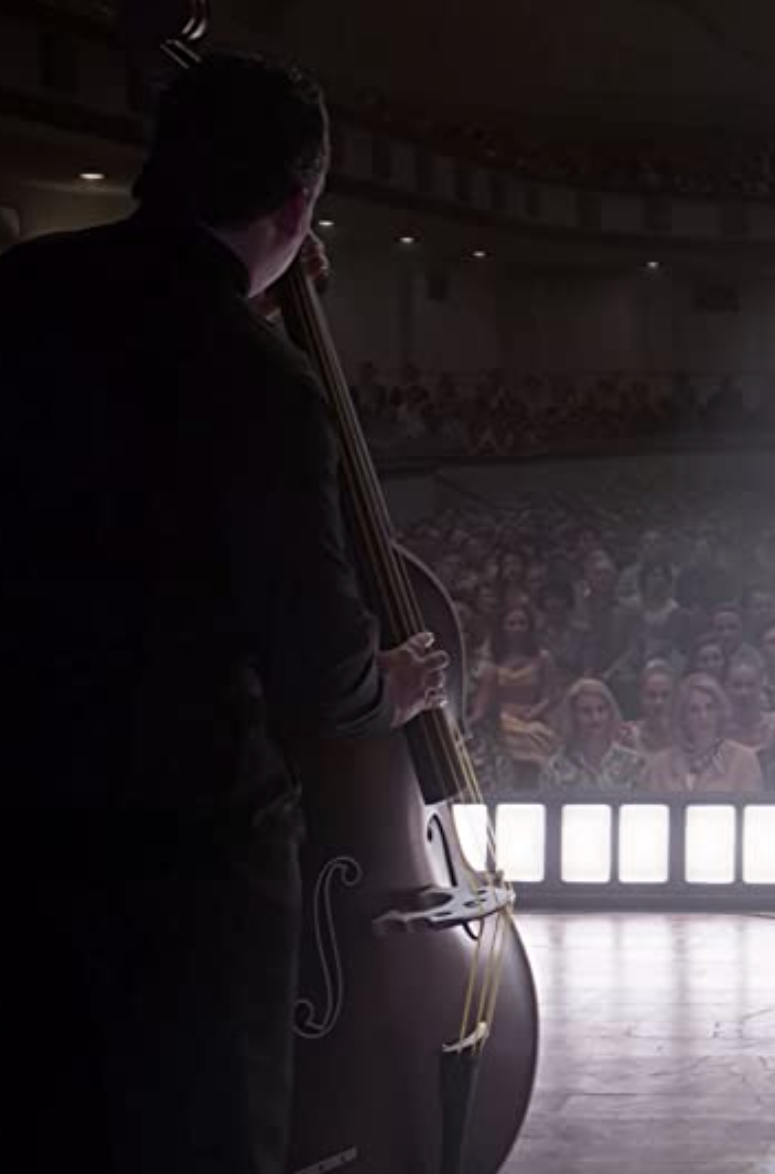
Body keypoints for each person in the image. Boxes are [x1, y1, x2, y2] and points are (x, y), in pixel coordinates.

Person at [1, 53, 448, 1174]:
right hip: (184, 848)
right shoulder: (257, 378)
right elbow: (317, 663)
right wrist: (385, 684)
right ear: (296, 205)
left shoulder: (18, 295)